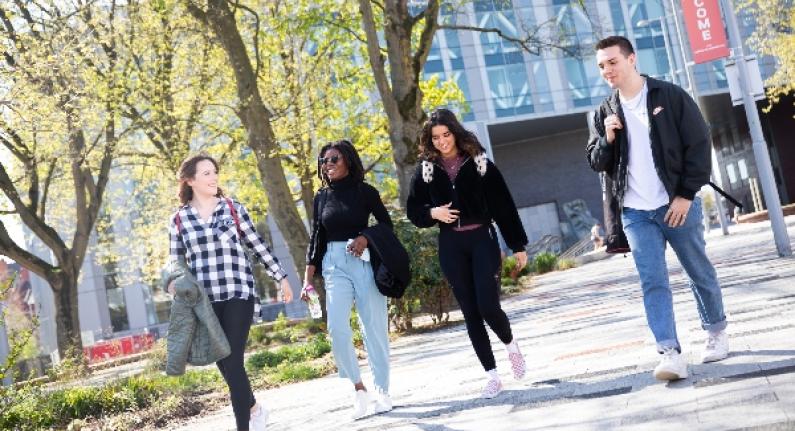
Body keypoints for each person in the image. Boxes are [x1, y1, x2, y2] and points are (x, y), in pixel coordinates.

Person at [586, 36, 729, 381]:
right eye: (601, 66)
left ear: (631, 59)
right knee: (653, 280)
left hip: (675, 203)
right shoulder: (604, 111)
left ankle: (716, 331)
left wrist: (685, 194)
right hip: (635, 212)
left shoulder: (669, 96)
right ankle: (669, 352)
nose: (607, 70)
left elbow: (699, 144)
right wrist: (607, 138)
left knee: (698, 270)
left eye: (612, 62)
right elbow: (595, 161)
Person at [407, 108, 529, 399]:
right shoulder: (425, 170)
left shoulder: (479, 162)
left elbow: (504, 206)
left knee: (488, 307)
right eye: (435, 137)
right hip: (451, 245)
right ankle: (492, 376)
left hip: (481, 239)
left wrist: (517, 245)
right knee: (471, 313)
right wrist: (432, 212)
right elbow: (413, 210)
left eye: (446, 135)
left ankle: (511, 345)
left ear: (455, 132)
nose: (441, 141)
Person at [169, 154, 293, 430]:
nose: (213, 177)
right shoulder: (179, 219)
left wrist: (281, 277)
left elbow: (258, 245)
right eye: (206, 173)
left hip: (239, 291)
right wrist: (173, 282)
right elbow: (175, 261)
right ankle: (255, 408)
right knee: (224, 363)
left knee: (233, 359)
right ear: (189, 180)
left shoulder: (232, 208)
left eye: (214, 172)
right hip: (206, 302)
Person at [303, 140, 393, 419]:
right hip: (333, 264)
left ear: (348, 162)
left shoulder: (365, 192)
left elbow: (386, 225)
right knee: (337, 328)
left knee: (374, 327)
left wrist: (366, 238)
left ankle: (382, 390)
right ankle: (359, 389)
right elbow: (317, 236)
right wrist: (308, 278)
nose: (327, 165)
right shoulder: (321, 197)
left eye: (333, 159)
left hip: (363, 261)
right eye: (323, 160)